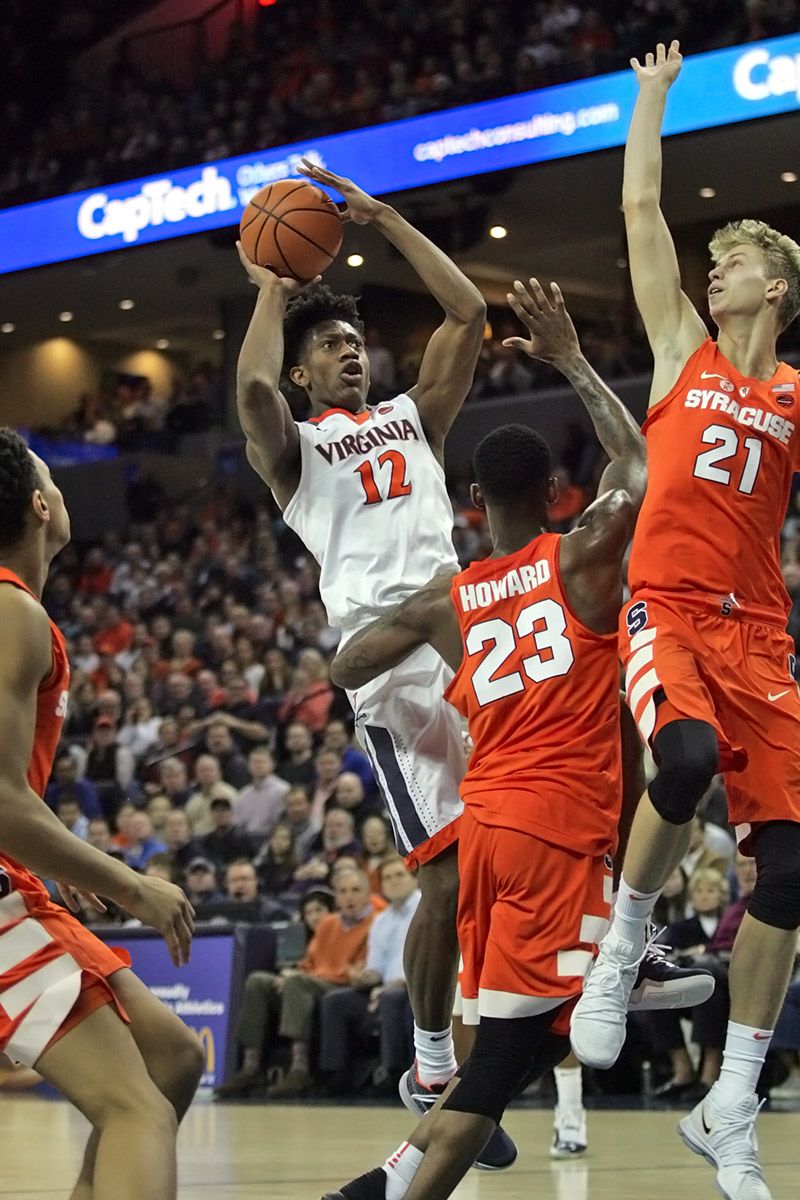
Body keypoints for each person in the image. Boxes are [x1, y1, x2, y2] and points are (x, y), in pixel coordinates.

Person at [320, 279, 649, 1200]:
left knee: (509, 1040)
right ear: (555, 492)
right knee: (509, 1058)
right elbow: (638, 467)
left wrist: (387, 603)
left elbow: (347, 669)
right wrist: (574, 359)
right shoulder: (581, 559)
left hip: (488, 837)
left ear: (471, 498)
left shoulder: (447, 602)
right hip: (556, 836)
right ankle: (628, 949)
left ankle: (391, 1176)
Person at [569, 40, 800, 1200]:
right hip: (667, 612)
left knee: (795, 872)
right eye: (712, 268)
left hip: (760, 634)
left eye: (737, 266)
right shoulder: (677, 352)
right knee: (685, 757)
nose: (716, 277)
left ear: (778, 289)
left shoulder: (793, 394)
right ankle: (621, 944)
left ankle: (730, 1104)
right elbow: (641, 204)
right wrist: (649, 99)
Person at [236, 156, 488, 1148]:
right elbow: (254, 390)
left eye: (355, 342)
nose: (352, 355)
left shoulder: (410, 419)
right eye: (331, 347)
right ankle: (430, 1072)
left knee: (523, 852)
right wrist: (267, 284)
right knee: (446, 879)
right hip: (391, 664)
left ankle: (500, 1043)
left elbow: (465, 317)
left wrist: (384, 220)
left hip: (470, 635)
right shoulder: (297, 457)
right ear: (305, 370)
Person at [0, 429, 201, 1200]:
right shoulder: (12, 613)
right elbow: (2, 801)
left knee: (174, 1058)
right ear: (41, 506)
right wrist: (130, 884)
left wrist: (53, 859)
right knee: (136, 1110)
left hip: (18, 874)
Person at [318, 855, 420, 1095]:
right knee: (336, 1001)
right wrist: (365, 977)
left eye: (399, 875)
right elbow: (377, 968)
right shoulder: (381, 920)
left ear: (414, 879)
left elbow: (430, 957)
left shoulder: (424, 908)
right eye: (387, 878)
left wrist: (392, 985)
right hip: (383, 989)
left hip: (414, 987)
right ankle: (336, 1075)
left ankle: (393, 1074)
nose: (393, 882)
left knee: (391, 998)